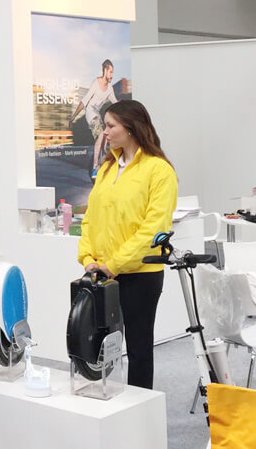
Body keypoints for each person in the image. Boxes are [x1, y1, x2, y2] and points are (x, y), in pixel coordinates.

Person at [77, 99, 177, 389]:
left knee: (138, 348)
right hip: (101, 272)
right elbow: (91, 217)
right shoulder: (107, 168)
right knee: (96, 344)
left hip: (139, 275)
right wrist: (88, 258)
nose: (105, 132)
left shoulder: (159, 170)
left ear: (131, 128)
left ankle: (141, 407)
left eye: (111, 126)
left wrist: (115, 264)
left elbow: (154, 229)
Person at [69, 59, 118, 178]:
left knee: (105, 139)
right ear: (105, 71)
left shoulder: (110, 89)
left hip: (97, 114)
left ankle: (103, 163)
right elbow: (85, 101)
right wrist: (73, 117)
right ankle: (95, 167)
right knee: (100, 134)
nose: (112, 75)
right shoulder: (96, 83)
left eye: (112, 72)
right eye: (110, 72)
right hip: (90, 112)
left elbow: (116, 103)